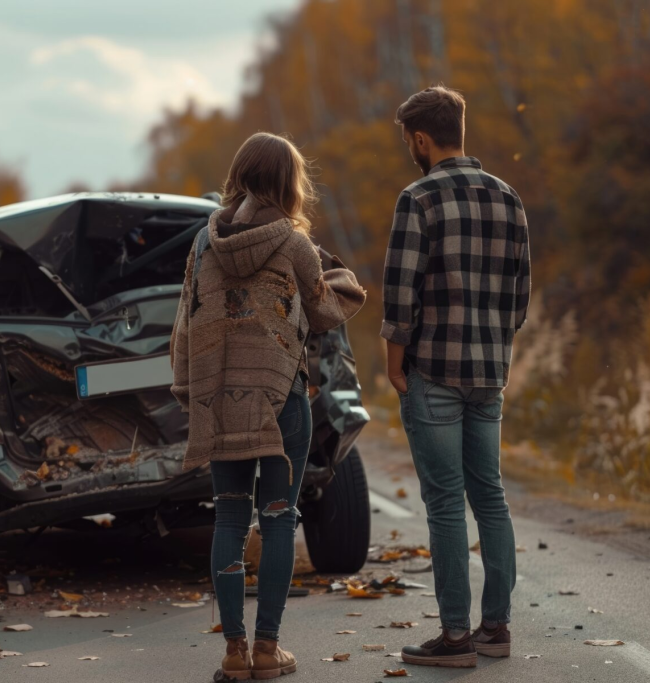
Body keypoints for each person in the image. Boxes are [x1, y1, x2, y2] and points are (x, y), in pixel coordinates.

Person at [170, 132, 365, 680]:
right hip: (282, 402)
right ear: (288, 184)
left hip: (220, 400)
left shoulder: (203, 243)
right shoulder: (295, 244)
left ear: (239, 175)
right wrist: (341, 277)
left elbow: (185, 322)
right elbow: (325, 312)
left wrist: (187, 391)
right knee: (279, 521)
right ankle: (267, 649)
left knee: (230, 518)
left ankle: (234, 652)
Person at [381, 85, 531, 668]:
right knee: (490, 497)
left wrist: (394, 363)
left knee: (445, 504)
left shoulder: (416, 198)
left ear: (421, 139)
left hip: (435, 372)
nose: (409, 149)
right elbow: (519, 299)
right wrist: (493, 347)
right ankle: (496, 628)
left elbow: (401, 293)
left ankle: (454, 638)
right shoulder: (509, 197)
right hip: (489, 373)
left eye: (407, 140)